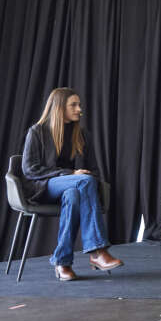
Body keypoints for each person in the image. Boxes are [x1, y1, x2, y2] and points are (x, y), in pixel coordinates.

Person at [21, 87, 123, 282]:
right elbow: (30, 170)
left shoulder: (81, 134)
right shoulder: (37, 132)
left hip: (73, 189)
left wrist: (79, 176)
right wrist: (70, 174)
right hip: (43, 188)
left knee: (74, 195)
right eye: (73, 105)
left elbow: (93, 169)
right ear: (59, 107)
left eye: (79, 105)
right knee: (83, 181)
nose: (79, 109)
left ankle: (62, 262)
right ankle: (97, 251)